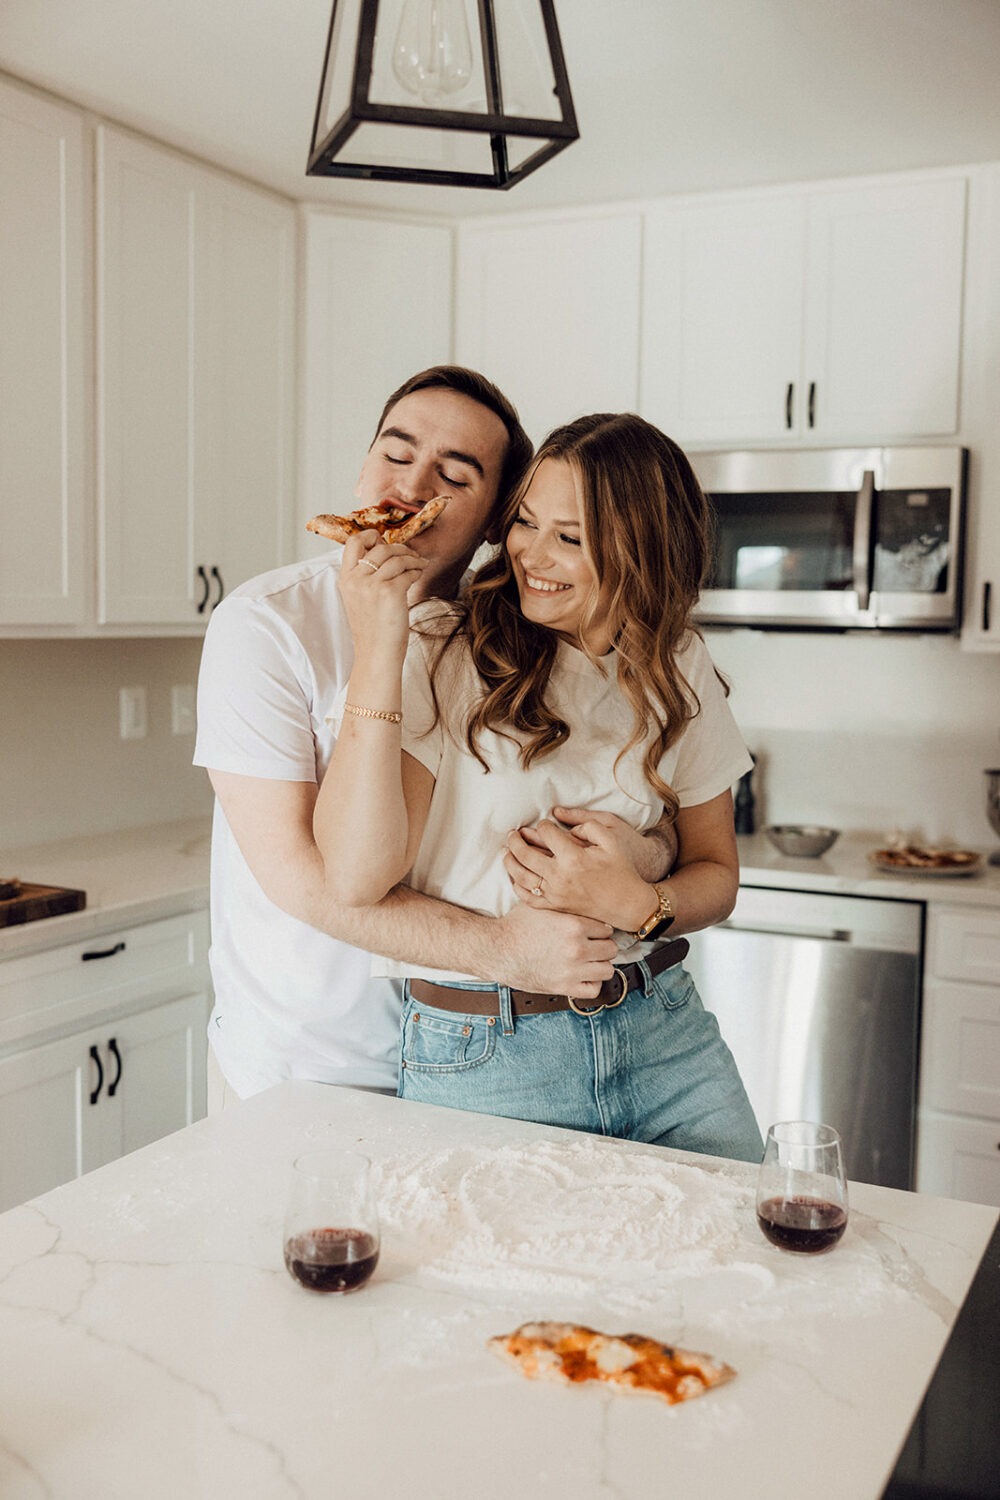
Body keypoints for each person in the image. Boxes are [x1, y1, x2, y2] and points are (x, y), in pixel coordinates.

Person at [194, 369, 676, 1104]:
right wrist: (503, 952)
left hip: (480, 1059)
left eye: (454, 473)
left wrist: (650, 851)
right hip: (305, 1064)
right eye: (395, 452)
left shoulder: (517, 640)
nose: (412, 484)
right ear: (362, 465)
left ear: (495, 521)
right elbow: (305, 882)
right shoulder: (265, 625)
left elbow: (605, 801)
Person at [313, 411, 763, 1162]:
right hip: (490, 1053)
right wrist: (380, 642)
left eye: (572, 537)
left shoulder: (676, 662)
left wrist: (638, 903)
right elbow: (357, 876)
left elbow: (717, 874)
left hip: (666, 1036)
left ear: (643, 553)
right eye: (524, 522)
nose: (532, 554)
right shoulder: (445, 649)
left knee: (747, 1269)